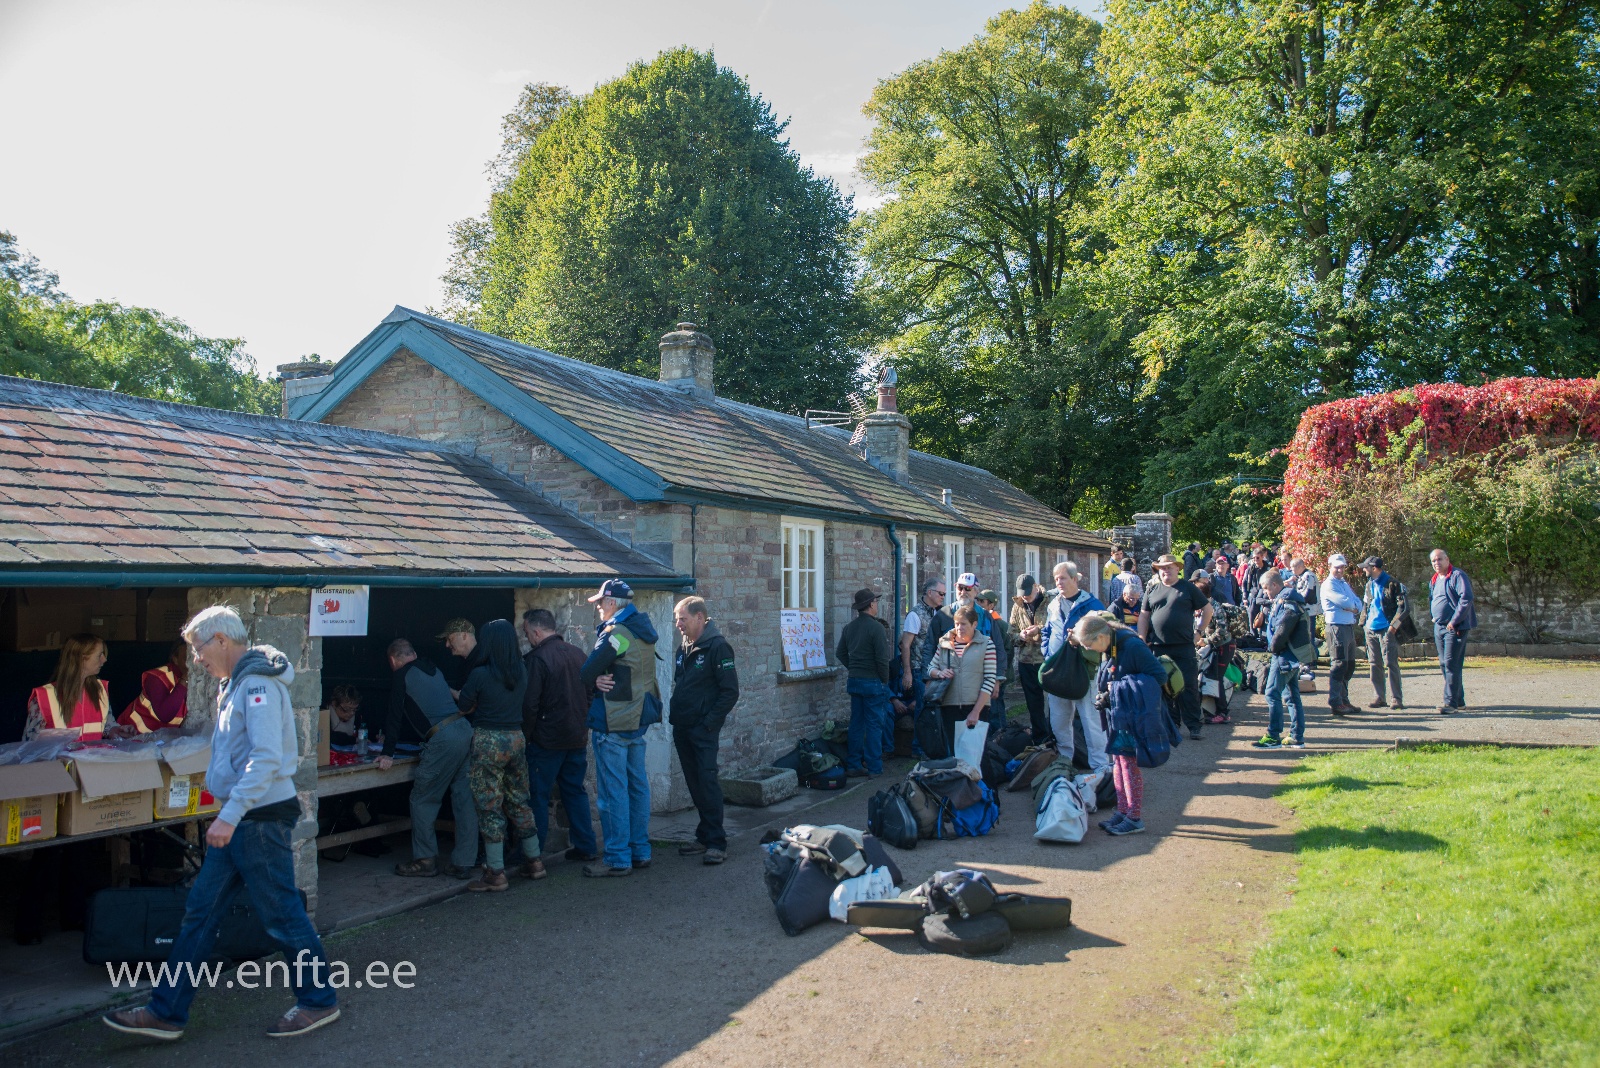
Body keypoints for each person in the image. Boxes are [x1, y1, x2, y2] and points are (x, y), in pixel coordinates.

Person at [103, 606, 338, 1041]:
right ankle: (166, 1012)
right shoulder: (237, 684)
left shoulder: (256, 685)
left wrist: (228, 816)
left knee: (282, 915)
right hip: (245, 818)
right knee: (201, 910)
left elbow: (266, 758)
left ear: (222, 641)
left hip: (257, 820)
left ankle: (318, 1001)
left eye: (198, 648)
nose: (195, 659)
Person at [580, 579, 662, 878]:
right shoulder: (643, 630)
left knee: (613, 791)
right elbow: (627, 670)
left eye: (601, 603)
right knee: (637, 787)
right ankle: (640, 851)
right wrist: (602, 676)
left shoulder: (617, 633)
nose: (599, 608)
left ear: (612, 604)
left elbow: (586, 671)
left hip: (614, 722)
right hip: (637, 720)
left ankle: (616, 857)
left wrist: (596, 678)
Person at [380, 638, 479, 879]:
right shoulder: (434, 669)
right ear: (413, 653)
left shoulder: (401, 674)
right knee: (465, 799)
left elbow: (394, 715)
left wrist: (387, 753)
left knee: (423, 798)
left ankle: (425, 860)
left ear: (393, 660)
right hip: (465, 731)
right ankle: (464, 861)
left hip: (443, 737)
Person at [457, 618, 540, 892]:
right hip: (516, 738)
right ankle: (535, 861)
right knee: (519, 799)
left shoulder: (479, 674)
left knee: (489, 805)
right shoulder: (522, 670)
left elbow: (466, 705)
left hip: (488, 740)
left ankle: (495, 872)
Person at [1072, 613, 1166, 836]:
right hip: (1119, 714)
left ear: (1102, 635)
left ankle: (1134, 818)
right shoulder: (1110, 644)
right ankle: (1122, 811)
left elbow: (1159, 676)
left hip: (1133, 716)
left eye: (1089, 644)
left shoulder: (1132, 645)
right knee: (1118, 763)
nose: (1089, 650)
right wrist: (1106, 695)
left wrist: (1114, 691)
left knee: (1128, 765)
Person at [520, 609, 600, 865]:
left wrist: (527, 736)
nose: (527, 638)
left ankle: (534, 855)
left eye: (526, 633)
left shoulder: (538, 659)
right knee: (575, 792)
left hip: (547, 740)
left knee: (537, 797)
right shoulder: (578, 654)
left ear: (535, 631)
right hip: (575, 736)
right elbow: (591, 693)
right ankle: (586, 845)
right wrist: (582, 722)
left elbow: (530, 704)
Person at [668, 596, 739, 864]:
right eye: (677, 619)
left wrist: (709, 723)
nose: (678, 624)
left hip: (703, 730)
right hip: (683, 728)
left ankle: (717, 843)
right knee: (695, 784)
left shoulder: (718, 647)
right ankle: (704, 835)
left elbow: (730, 692)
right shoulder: (684, 647)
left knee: (707, 783)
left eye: (682, 618)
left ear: (700, 617)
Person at [1038, 561, 1109, 771]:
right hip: (1058, 670)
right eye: (1056, 578)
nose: (1059, 582)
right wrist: (1047, 653)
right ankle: (1065, 762)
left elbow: (1105, 636)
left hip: (1084, 670)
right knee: (1059, 720)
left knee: (1091, 719)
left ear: (1075, 579)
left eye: (1063, 578)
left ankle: (1101, 767)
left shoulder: (1093, 606)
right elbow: (1047, 632)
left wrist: (1081, 639)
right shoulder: (1053, 605)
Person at [1139, 554, 1213, 739]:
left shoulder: (1188, 588)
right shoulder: (1153, 589)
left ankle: (1194, 726)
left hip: (1184, 645)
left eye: (1169, 567)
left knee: (1188, 686)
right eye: (1162, 568)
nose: (1165, 570)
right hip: (1158, 646)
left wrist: (1199, 632)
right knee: (1164, 686)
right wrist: (1141, 637)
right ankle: (1171, 724)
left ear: (1177, 569)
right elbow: (1144, 615)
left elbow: (1207, 609)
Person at [1252, 571, 1312, 749]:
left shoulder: (1287, 603)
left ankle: (1273, 736)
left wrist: (1273, 647)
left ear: (1275, 586)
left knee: (1272, 693)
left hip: (1284, 656)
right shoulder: (1290, 599)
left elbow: (1283, 628)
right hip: (1292, 656)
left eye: (1266, 588)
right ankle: (1296, 736)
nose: (1265, 593)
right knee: (1292, 696)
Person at [837, 588, 893, 779]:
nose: (877, 605)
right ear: (870, 605)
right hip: (872, 681)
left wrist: (853, 668)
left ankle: (853, 764)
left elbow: (840, 653)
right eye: (875, 602)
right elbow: (882, 659)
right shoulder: (876, 628)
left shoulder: (849, 628)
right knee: (875, 725)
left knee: (856, 724)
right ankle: (874, 767)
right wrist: (884, 680)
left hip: (855, 680)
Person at [925, 606, 996, 755]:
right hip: (949, 706)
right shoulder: (944, 643)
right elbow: (930, 668)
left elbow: (989, 680)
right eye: (957, 623)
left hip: (975, 706)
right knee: (954, 755)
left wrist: (976, 711)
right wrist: (940, 673)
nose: (959, 628)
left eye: (963, 624)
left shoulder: (986, 644)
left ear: (974, 624)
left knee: (974, 756)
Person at [24, 633, 110, 741]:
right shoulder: (44, 697)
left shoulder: (100, 691)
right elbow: (29, 744)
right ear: (81, 658)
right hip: (59, 758)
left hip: (92, 757)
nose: (104, 660)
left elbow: (107, 724)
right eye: (99, 655)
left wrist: (115, 730)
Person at [1428, 549, 1476, 714]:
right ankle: (1459, 701)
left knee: (1451, 663)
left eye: (1439, 559)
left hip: (1454, 628)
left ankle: (1451, 703)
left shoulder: (1457, 576)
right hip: (1439, 626)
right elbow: (1432, 599)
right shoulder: (1435, 579)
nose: (1436, 563)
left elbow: (1466, 598)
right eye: (1434, 560)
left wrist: (1454, 621)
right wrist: (1434, 616)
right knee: (1444, 664)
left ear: (1447, 559)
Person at [1008, 574, 1050, 741]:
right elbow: (1011, 634)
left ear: (1035, 587)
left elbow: (1056, 627)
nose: (1025, 597)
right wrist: (1021, 636)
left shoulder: (1049, 602)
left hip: (1047, 660)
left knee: (1054, 704)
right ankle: (1040, 739)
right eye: (1022, 594)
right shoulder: (1017, 606)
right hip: (1026, 661)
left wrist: (1038, 630)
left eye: (1028, 593)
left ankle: (1056, 738)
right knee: (1033, 705)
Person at [1319, 554, 1362, 716]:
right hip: (1336, 627)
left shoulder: (1343, 583)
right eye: (1336, 567)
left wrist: (1353, 607)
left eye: (1342, 567)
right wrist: (1352, 606)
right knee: (1339, 664)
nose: (1339, 570)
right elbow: (1347, 603)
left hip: (1348, 626)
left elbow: (1357, 603)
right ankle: (1336, 701)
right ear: (1330, 566)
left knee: (1349, 665)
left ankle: (1344, 699)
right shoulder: (1329, 585)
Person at [1360, 556, 1404, 710]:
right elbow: (1366, 605)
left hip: (1387, 629)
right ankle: (1379, 697)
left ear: (1374, 568)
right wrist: (1363, 624)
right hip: (1370, 629)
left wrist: (1394, 627)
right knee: (1374, 663)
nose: (1364, 569)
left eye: (1366, 567)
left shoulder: (1393, 584)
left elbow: (1403, 608)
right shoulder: (1369, 584)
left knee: (1391, 663)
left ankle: (1396, 699)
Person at [117, 641, 189, 734]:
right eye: (188, 659)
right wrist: (185, 679)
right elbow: (165, 715)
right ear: (175, 659)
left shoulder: (199, 678)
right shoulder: (157, 677)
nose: (193, 663)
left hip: (164, 739)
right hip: (132, 734)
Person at [324, 685, 362, 751]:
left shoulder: (357, 716)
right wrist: (353, 740)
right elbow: (328, 736)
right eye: (346, 709)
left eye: (354, 709)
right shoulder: (324, 714)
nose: (351, 713)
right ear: (334, 704)